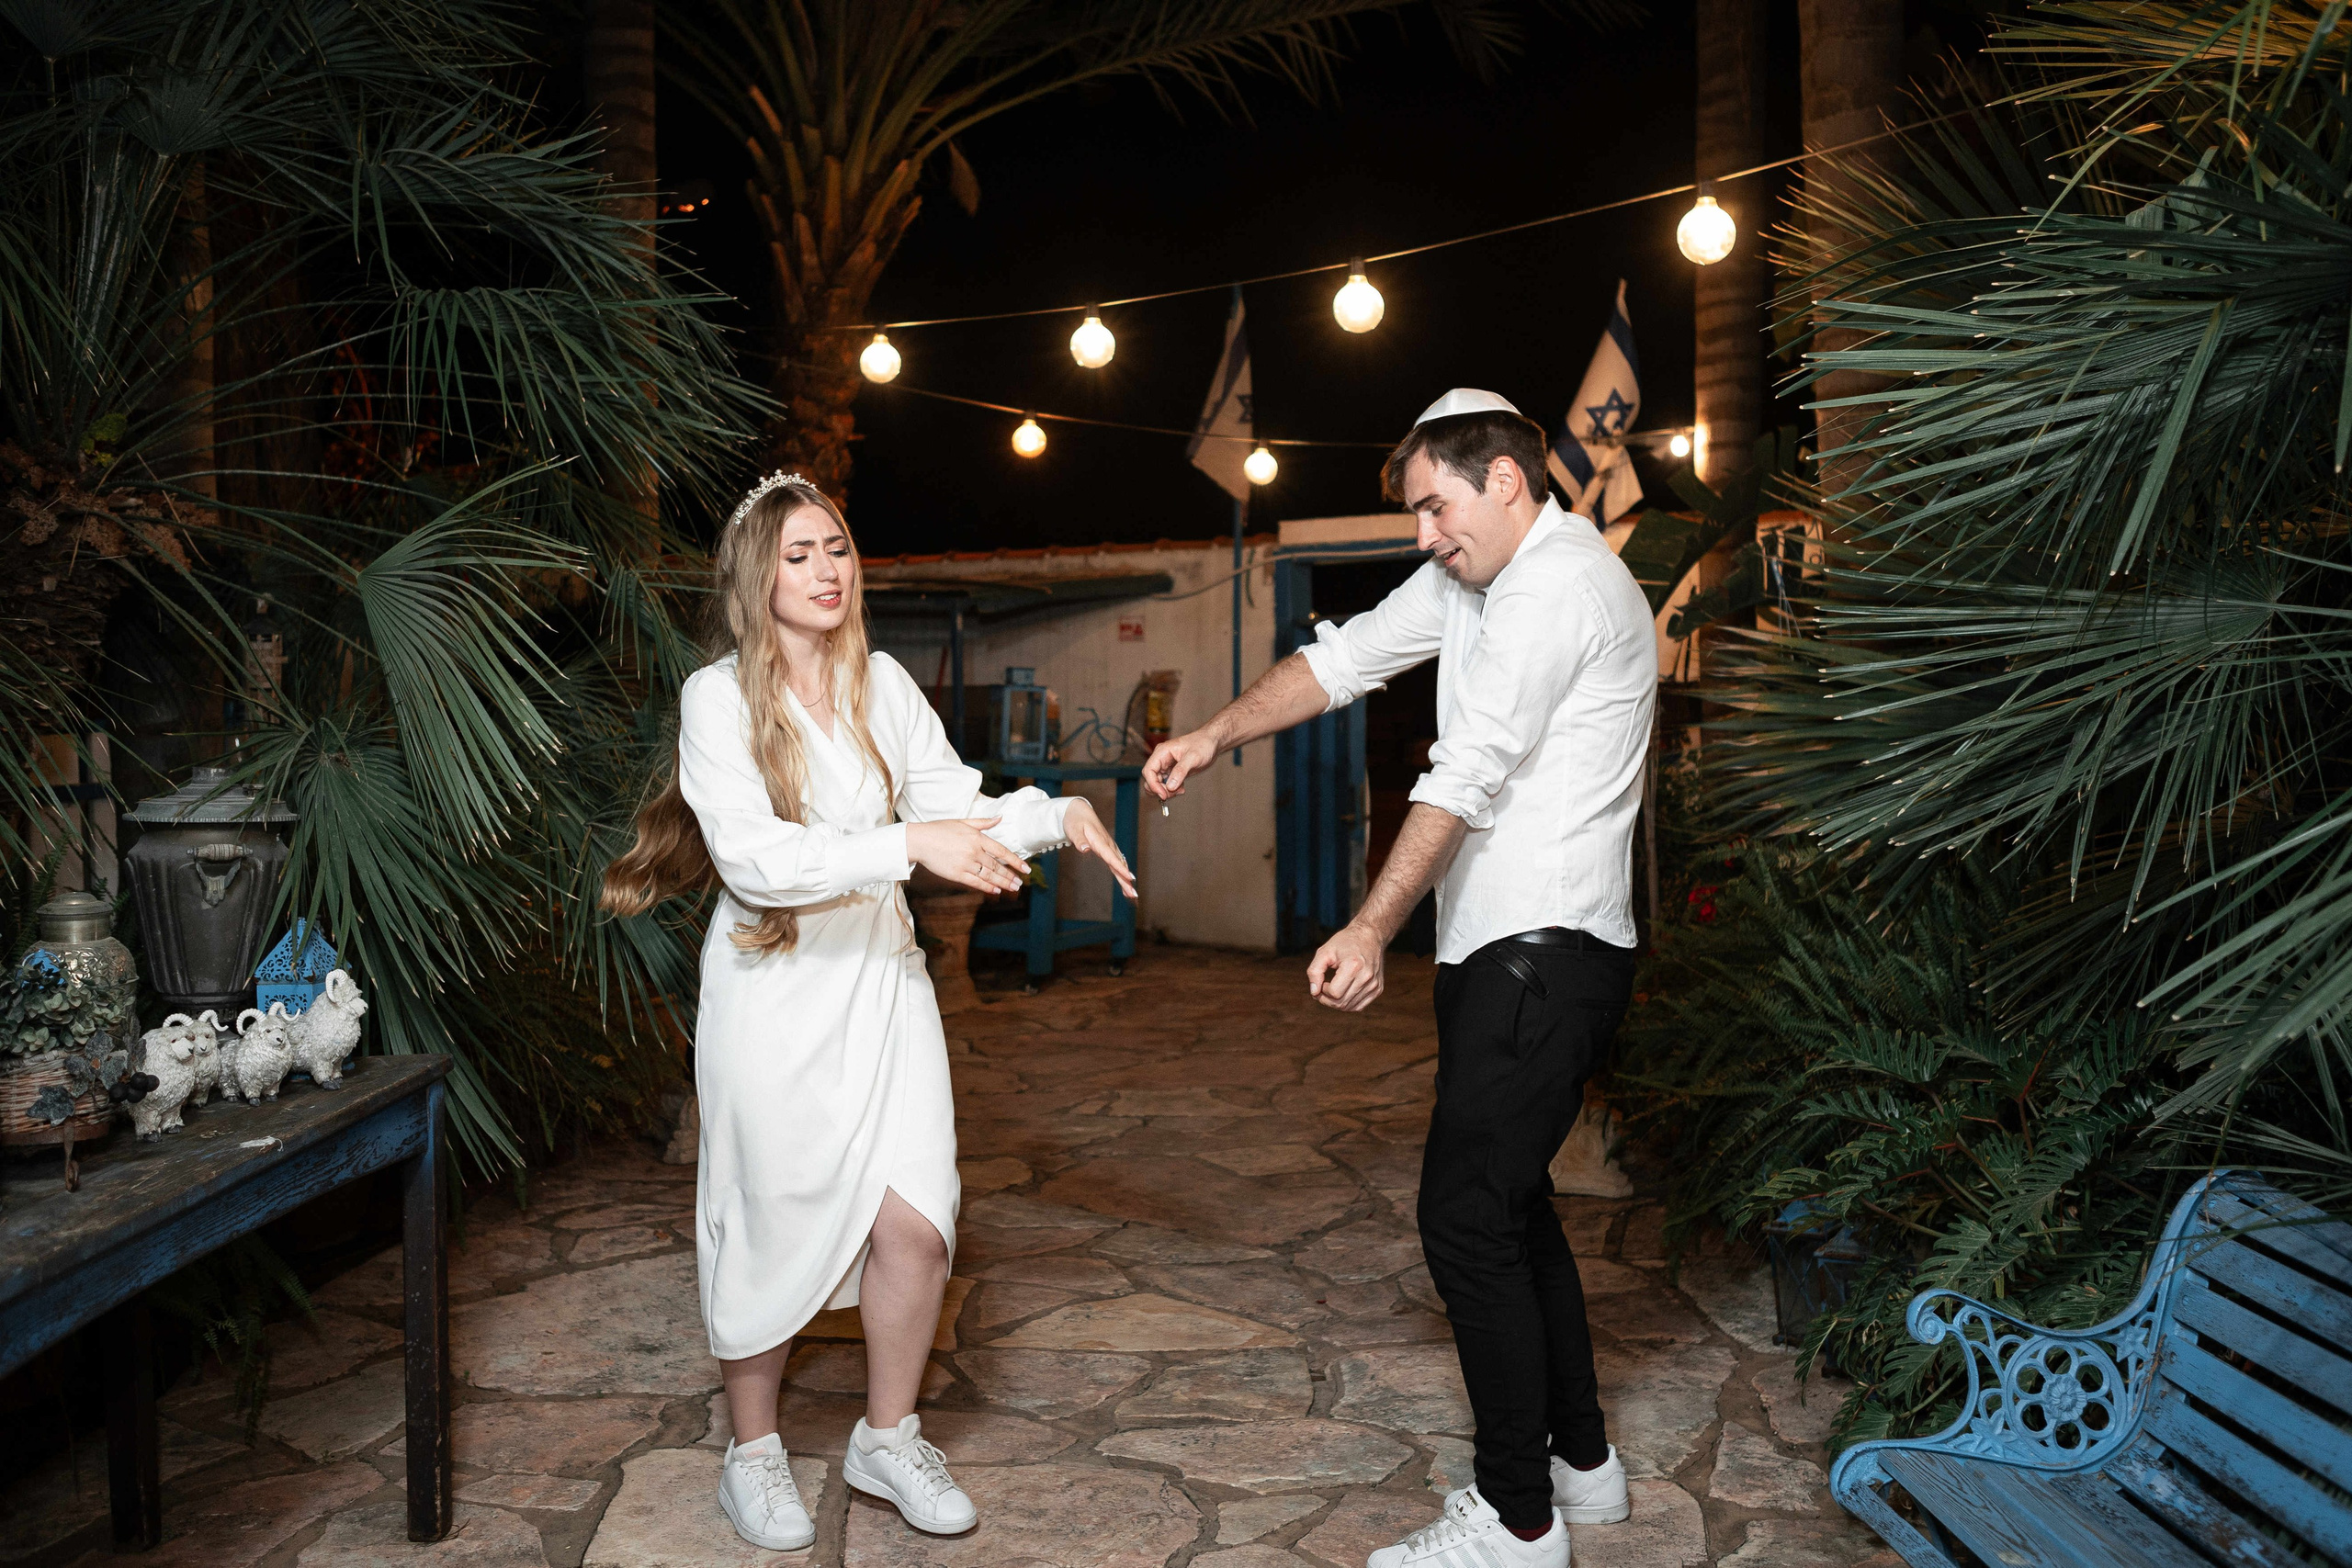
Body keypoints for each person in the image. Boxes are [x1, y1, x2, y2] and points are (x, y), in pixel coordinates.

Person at [1146, 390, 1655, 1568]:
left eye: (1436, 505)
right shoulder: (1473, 577)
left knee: (1465, 1221)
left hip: (1547, 951)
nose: (1424, 531)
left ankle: (1517, 1521)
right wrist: (1216, 734)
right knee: (1512, 1208)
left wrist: (1372, 926)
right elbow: (1344, 661)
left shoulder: (1555, 590)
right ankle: (1583, 1468)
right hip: (1509, 951)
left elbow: (1465, 773)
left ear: (1507, 482)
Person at [601, 473, 1136, 1551]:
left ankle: (885, 1438)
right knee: (766, 1221)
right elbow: (755, 860)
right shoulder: (716, 698)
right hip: (773, 990)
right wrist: (904, 847)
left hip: (883, 988)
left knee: (919, 1222)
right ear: (756, 577)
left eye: (837, 548)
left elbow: (950, 801)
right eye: (798, 555)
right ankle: (750, 1457)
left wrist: (1054, 812)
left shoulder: (882, 683)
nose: (825, 571)